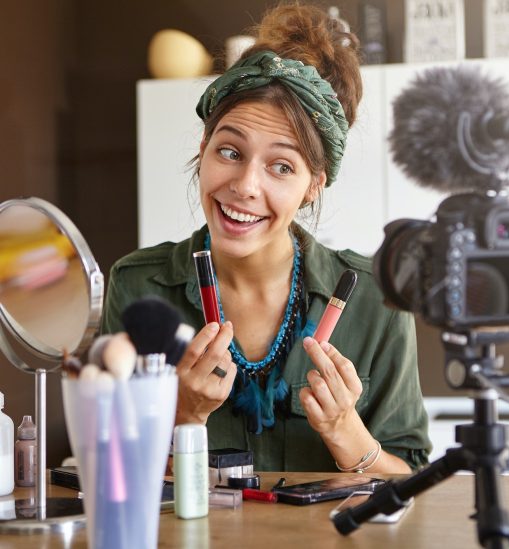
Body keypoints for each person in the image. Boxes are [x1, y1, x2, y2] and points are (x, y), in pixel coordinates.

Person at [102, 3, 431, 473]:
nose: (245, 186)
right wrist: (185, 416)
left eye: (281, 166)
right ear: (204, 148)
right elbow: (111, 476)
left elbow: (417, 487)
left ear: (314, 183)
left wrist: (344, 428)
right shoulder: (138, 287)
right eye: (230, 151)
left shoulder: (376, 300)